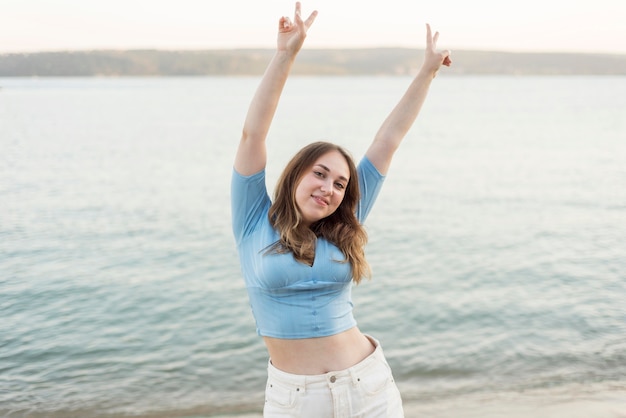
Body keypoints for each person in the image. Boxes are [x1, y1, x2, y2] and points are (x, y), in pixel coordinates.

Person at [231, 2, 451, 417]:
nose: (328, 188)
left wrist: (427, 72)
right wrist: (285, 55)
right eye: (319, 173)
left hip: (369, 387)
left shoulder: (345, 223)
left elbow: (388, 140)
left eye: (340, 183)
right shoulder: (252, 220)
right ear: (296, 173)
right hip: (295, 399)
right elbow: (252, 134)